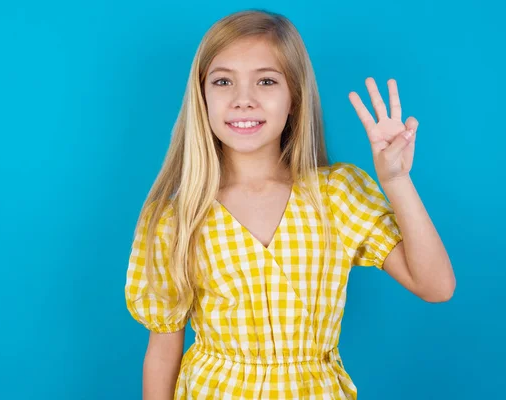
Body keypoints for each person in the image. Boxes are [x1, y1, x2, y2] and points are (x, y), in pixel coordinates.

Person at [125, 9, 455, 400]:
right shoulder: (177, 218)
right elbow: (163, 354)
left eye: (266, 81)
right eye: (223, 81)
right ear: (202, 97)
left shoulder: (337, 195)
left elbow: (436, 286)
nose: (243, 100)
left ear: (294, 97)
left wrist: (396, 180)